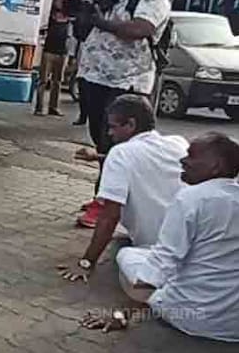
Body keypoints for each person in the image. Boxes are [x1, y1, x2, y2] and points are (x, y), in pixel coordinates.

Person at [79, 132, 239, 342]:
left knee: (127, 255)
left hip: (192, 319)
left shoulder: (191, 199)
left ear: (216, 167)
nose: (182, 160)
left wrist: (120, 315)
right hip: (235, 326)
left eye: (192, 156)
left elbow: (161, 264)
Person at [74, 0, 171, 228]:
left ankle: (107, 205)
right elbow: (85, 29)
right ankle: (104, 198)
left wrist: (100, 21)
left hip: (126, 82)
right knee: (101, 140)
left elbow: (139, 29)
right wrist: (86, 13)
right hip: (96, 77)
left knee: (118, 147)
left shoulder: (153, 0)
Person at [58, 95, 187, 282]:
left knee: (124, 257)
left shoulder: (120, 154)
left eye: (113, 127)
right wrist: (99, 157)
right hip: (189, 242)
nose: (110, 133)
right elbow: (144, 160)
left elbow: (110, 216)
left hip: (157, 249)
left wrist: (86, 262)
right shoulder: (178, 143)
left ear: (131, 125)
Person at [35, 0, 70, 116]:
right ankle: (39, 107)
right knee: (43, 80)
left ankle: (53, 107)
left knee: (58, 81)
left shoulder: (70, 13)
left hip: (62, 50)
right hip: (48, 49)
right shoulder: (49, 13)